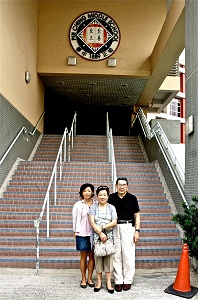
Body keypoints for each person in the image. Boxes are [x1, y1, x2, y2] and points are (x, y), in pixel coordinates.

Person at [108, 177, 140, 292]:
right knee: (116, 254)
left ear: (127, 186)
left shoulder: (132, 198)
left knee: (128, 255)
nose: (121, 187)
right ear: (116, 186)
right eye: (119, 184)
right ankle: (118, 280)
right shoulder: (111, 197)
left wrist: (137, 231)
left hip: (128, 227)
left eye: (124, 185)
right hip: (114, 227)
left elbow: (137, 215)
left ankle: (127, 280)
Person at [88, 185, 117, 294]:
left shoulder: (111, 207)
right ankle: (99, 282)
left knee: (108, 261)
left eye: (104, 195)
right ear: (97, 196)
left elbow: (114, 222)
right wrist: (100, 233)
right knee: (98, 261)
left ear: (108, 196)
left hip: (109, 238)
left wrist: (103, 228)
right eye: (100, 195)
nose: (102, 197)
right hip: (97, 238)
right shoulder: (93, 207)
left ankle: (108, 282)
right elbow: (91, 222)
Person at [72, 183, 96, 288]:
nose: (87, 193)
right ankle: (83, 278)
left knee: (92, 256)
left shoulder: (96, 204)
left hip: (93, 233)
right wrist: (75, 232)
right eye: (85, 191)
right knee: (83, 256)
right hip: (81, 233)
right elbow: (74, 219)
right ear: (82, 192)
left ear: (92, 192)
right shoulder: (78, 204)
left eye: (89, 191)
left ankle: (90, 278)